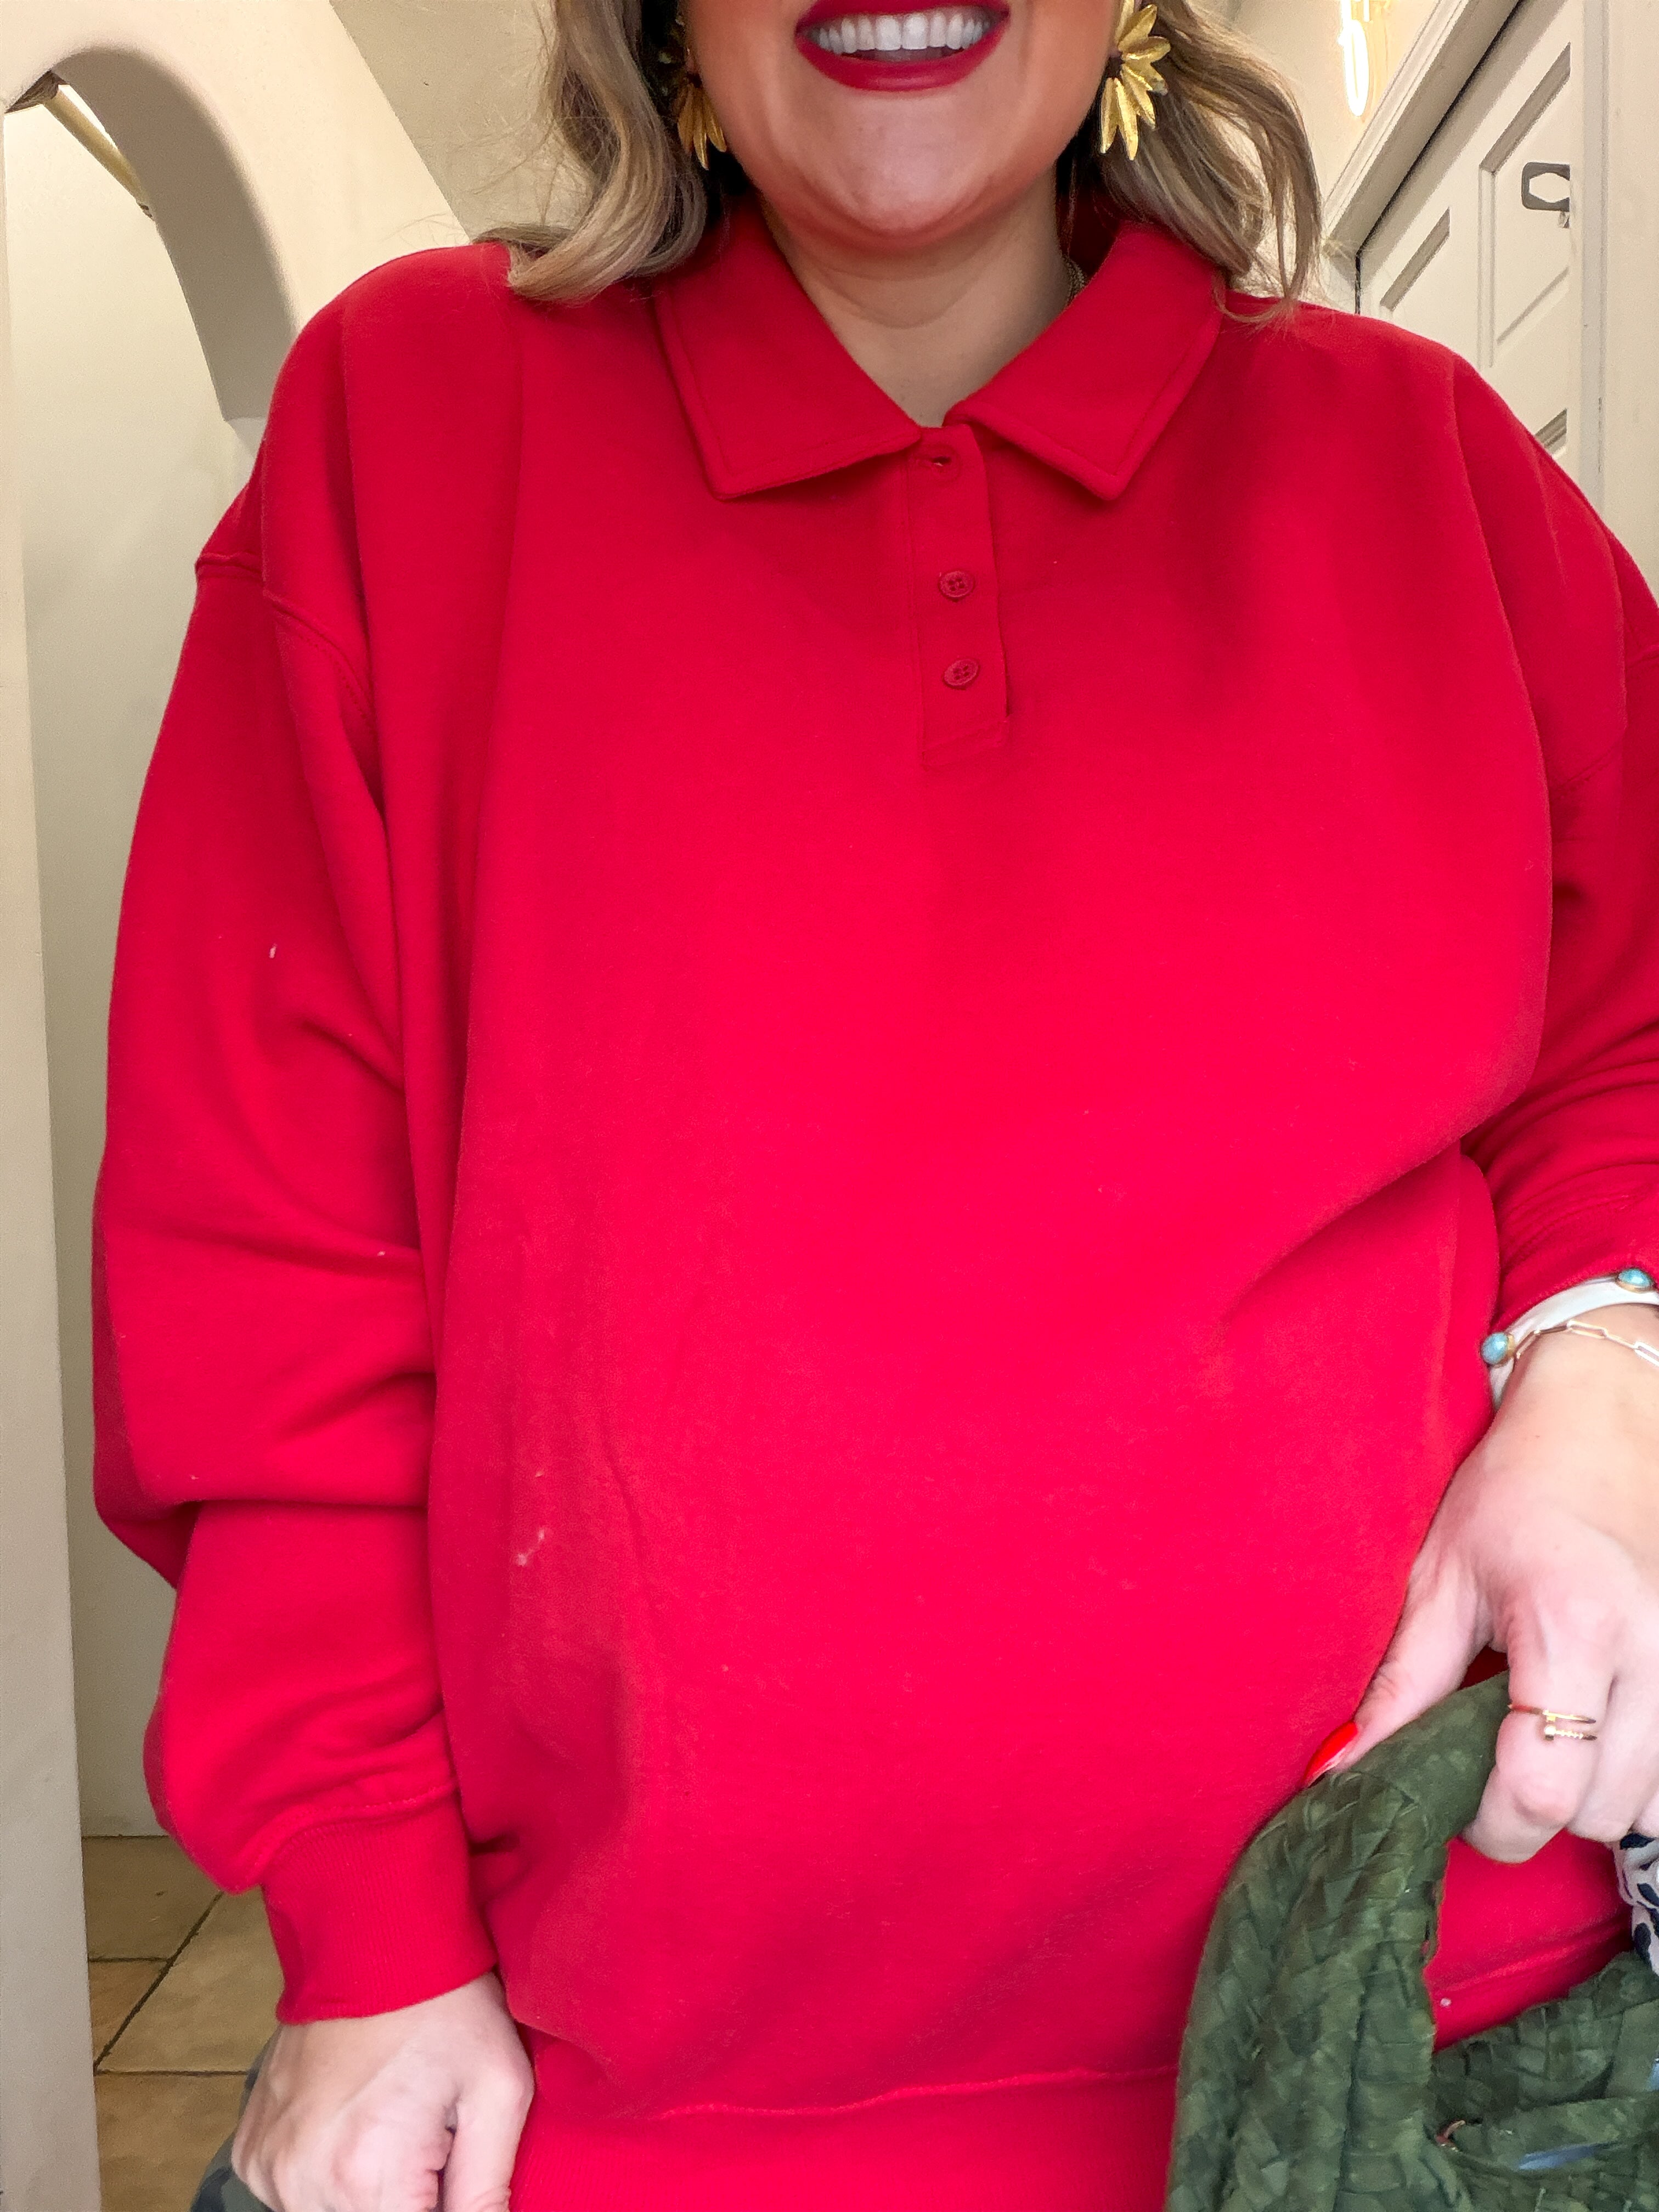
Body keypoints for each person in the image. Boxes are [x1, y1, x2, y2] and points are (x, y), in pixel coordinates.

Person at [93, 0, 1659, 2203]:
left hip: (1432, 2067)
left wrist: (1603, 1366)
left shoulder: (1431, 463)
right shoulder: (401, 432)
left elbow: (1624, 1027)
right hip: (624, 2108)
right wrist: (367, 1931)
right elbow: (270, 1285)